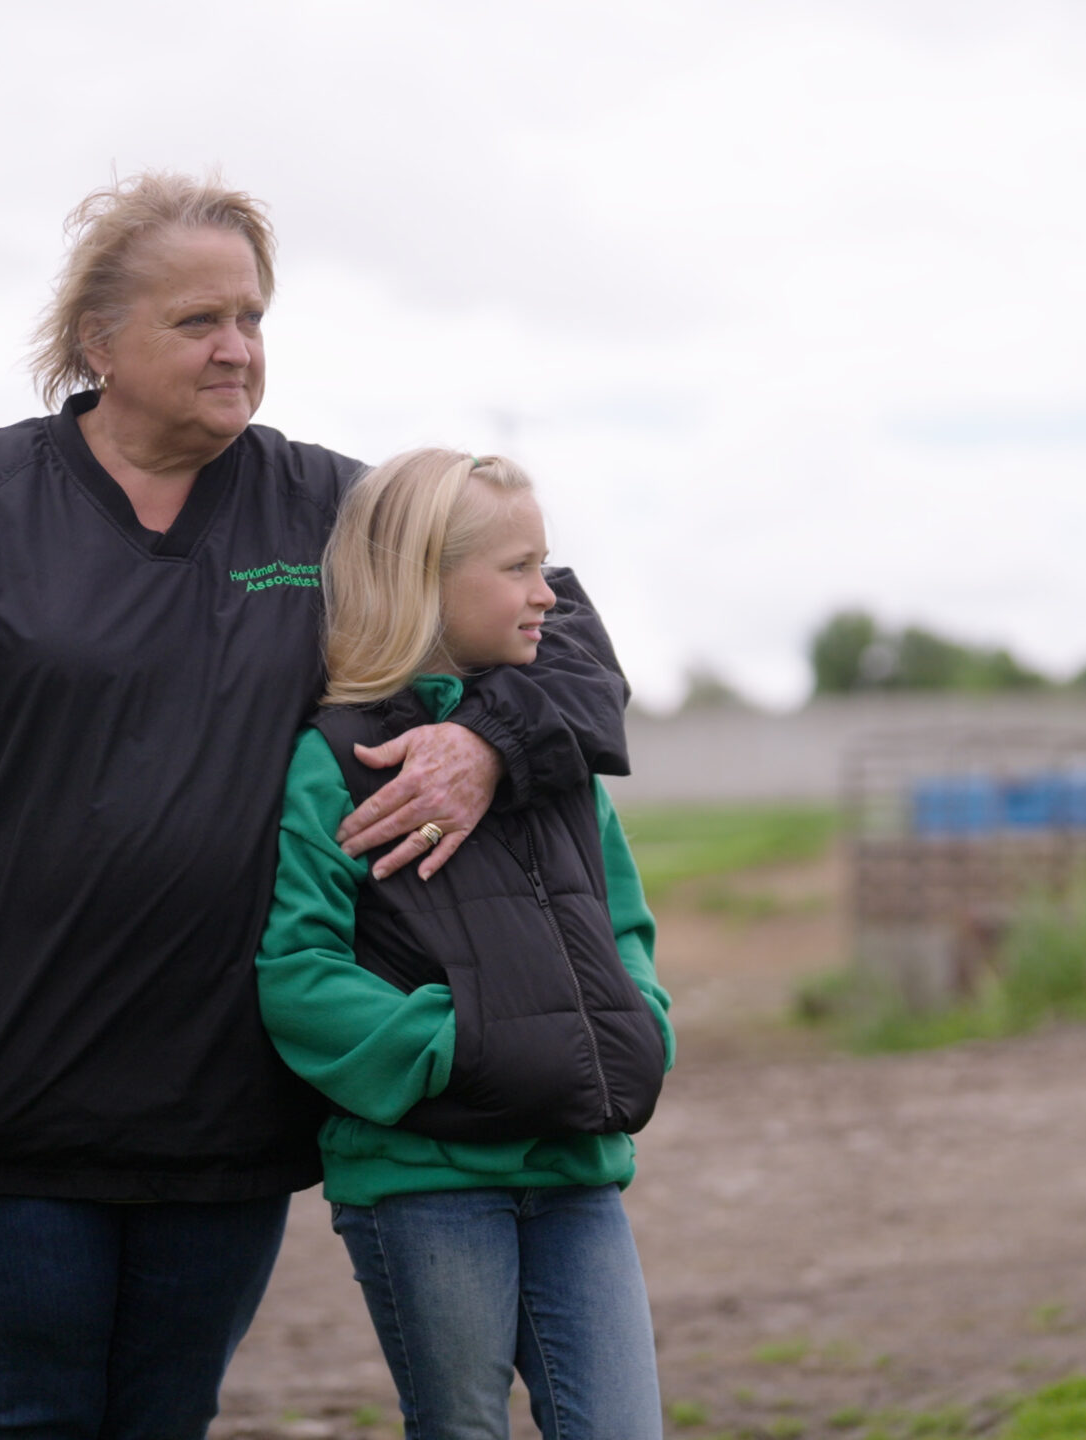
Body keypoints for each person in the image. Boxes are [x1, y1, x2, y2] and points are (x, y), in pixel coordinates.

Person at [0, 175, 630, 1440]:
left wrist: (491, 742)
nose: (237, 348)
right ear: (97, 341)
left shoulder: (330, 512)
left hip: (225, 1109)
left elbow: (560, 629)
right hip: (2, 1107)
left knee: (164, 1418)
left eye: (253, 318)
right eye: (198, 320)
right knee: (9, 1419)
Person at [255, 449, 672, 1440]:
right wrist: (465, 1044)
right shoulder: (336, 762)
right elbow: (299, 975)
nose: (548, 597)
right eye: (520, 569)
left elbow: (624, 928)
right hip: (426, 1184)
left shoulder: (556, 758)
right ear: (426, 582)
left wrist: (634, 1022)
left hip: (576, 1167)